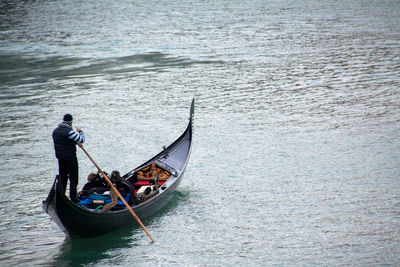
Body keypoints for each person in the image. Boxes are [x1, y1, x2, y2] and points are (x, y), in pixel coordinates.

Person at [52, 114, 85, 202]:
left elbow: (64, 142)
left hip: (60, 158)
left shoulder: (55, 131)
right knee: (73, 179)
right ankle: (73, 199)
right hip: (70, 158)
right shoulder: (70, 132)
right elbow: (82, 140)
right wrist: (80, 131)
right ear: (71, 122)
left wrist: (74, 142)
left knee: (63, 178)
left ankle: (61, 197)